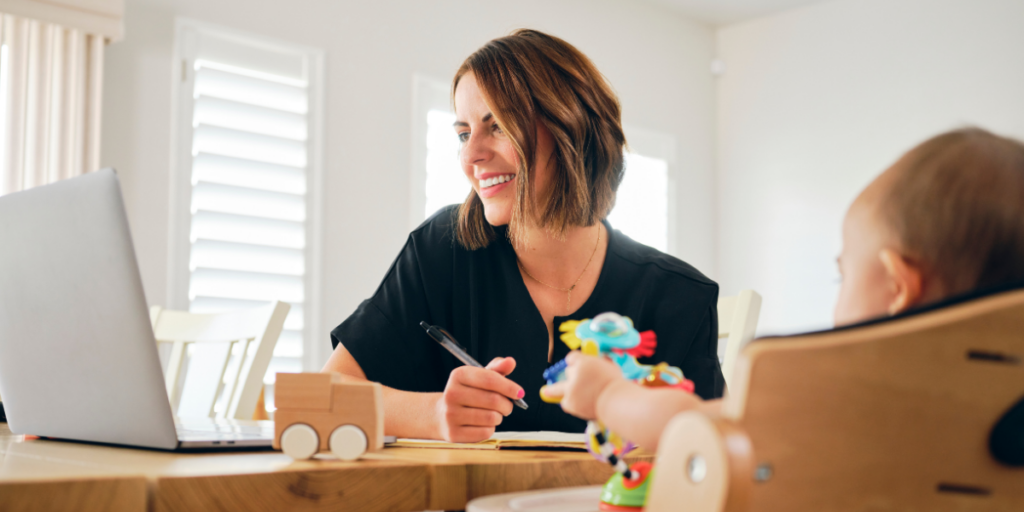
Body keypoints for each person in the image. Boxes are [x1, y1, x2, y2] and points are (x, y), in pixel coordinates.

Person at [322, 29, 723, 443]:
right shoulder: (440, 249)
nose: (470, 154)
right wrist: (434, 414)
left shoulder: (680, 296)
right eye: (463, 133)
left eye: (498, 127)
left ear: (571, 128)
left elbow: (715, 456)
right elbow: (323, 397)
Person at [544, 127, 1024, 450]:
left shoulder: (843, 396)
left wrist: (609, 395)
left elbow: (693, 428)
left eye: (844, 274)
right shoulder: (1002, 417)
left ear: (898, 288)